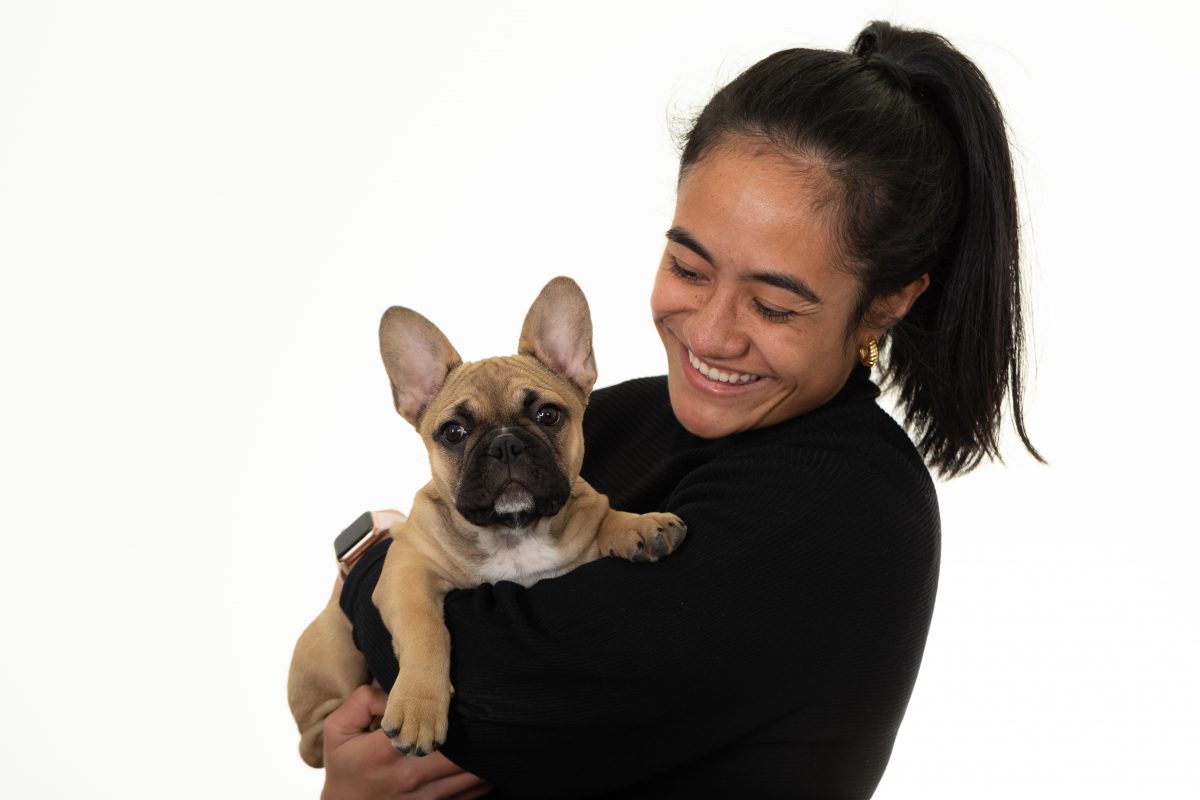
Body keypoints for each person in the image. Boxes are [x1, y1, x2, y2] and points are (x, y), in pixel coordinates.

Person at [320, 20, 1041, 799]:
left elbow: (514, 697)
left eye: (773, 304)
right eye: (688, 267)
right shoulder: (624, 418)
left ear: (883, 308)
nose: (709, 332)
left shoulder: (841, 504)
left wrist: (367, 567)